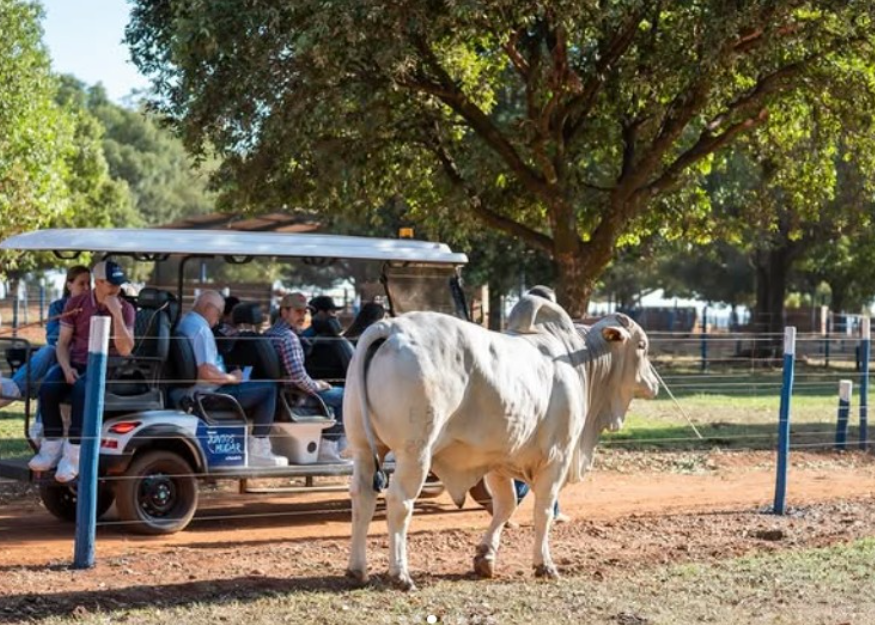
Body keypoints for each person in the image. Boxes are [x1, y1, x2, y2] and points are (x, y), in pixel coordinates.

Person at [28, 261, 136, 482]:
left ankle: (74, 456)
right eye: (112, 284)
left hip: (109, 367)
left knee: (80, 390)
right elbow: (62, 343)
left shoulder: (126, 309)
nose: (117, 289)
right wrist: (66, 369)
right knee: (48, 387)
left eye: (119, 284)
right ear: (99, 283)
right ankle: (51, 449)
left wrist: (116, 315)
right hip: (76, 362)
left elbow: (126, 349)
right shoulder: (76, 303)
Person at [176, 290, 287, 468]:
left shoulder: (186, 322)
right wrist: (231, 378)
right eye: (218, 313)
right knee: (269, 388)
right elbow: (205, 372)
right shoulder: (202, 329)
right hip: (210, 394)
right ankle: (259, 448)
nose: (219, 319)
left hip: (191, 391)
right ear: (208, 308)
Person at [265, 292, 349, 463]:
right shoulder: (289, 338)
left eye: (305, 312)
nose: (302, 316)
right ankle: (329, 448)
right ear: (284, 311)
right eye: (298, 311)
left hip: (282, 394)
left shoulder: (269, 333)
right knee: (347, 397)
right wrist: (318, 385)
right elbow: (299, 378)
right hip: (296, 396)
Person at [512, 285, 570, 524]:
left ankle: (553, 510)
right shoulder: (540, 339)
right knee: (536, 461)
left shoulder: (516, 331)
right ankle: (509, 506)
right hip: (535, 407)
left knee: (547, 457)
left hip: (527, 405)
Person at [1, 265, 91, 407]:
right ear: (69, 285)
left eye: (89, 283)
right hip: (61, 354)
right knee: (49, 352)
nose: (86, 288)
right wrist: (68, 322)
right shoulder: (58, 306)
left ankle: (13, 389)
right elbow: (52, 338)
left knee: (49, 367)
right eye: (81, 283)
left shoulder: (93, 307)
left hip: (81, 357)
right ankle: (15, 390)